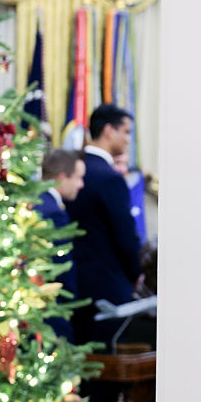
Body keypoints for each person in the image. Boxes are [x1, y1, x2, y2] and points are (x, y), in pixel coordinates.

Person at [65, 103, 150, 348]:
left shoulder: (75, 169)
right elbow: (124, 236)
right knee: (106, 362)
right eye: (126, 132)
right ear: (109, 131)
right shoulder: (110, 178)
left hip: (73, 283)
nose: (128, 139)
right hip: (106, 287)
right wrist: (136, 272)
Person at [37, 149, 86, 342]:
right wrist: (69, 301)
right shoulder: (53, 213)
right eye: (78, 178)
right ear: (62, 177)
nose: (81, 185)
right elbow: (61, 265)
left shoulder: (36, 201)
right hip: (52, 305)